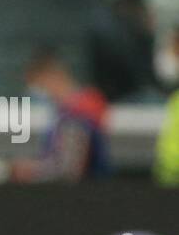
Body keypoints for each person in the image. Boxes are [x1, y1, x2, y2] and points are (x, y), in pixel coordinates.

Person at [12, 51, 111, 183]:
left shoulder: (78, 111)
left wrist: (30, 170)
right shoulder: (65, 112)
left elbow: (68, 169)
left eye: (37, 84)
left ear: (51, 77)